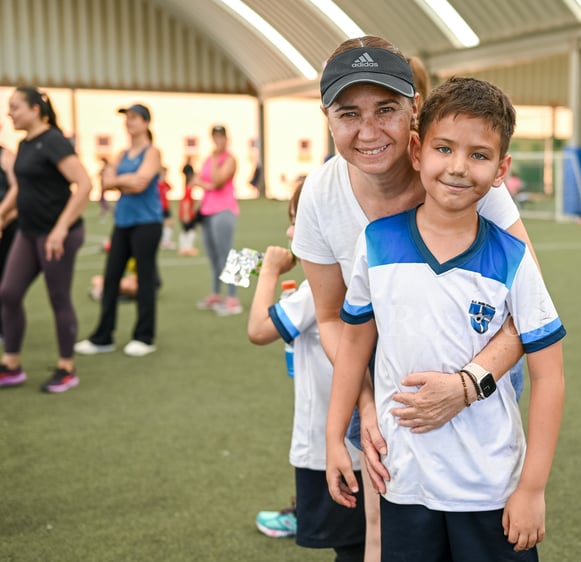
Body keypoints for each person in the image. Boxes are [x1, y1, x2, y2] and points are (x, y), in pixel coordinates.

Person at [292, 36, 534, 560]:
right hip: (381, 385)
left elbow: (526, 310)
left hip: (478, 385)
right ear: (327, 119)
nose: (369, 131)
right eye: (348, 113)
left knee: (478, 530)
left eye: (387, 110)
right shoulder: (320, 195)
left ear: (414, 111)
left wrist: (466, 386)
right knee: (386, 532)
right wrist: (366, 401)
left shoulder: (463, 177)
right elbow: (334, 320)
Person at [247, 179, 366, 561]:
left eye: (297, 219)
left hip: (328, 445)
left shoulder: (314, 292)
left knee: (349, 545)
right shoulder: (342, 280)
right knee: (365, 539)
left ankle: (302, 510)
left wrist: (268, 272)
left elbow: (258, 330)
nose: (289, 230)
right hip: (355, 440)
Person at [0, 87, 91, 392]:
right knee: (9, 293)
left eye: (15, 107)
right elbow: (21, 190)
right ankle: (11, 364)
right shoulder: (24, 144)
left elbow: (83, 184)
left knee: (58, 298)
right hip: (29, 231)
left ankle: (67, 367)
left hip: (57, 236)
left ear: (36, 110)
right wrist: (3, 214)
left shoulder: (53, 141)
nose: (10, 113)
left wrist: (61, 228)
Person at [75, 103, 163, 358]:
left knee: (145, 279)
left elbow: (141, 183)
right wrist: (124, 180)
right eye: (127, 118)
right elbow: (106, 181)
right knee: (111, 277)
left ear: (146, 122)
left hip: (147, 222)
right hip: (123, 222)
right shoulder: (122, 153)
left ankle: (144, 337)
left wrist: (118, 181)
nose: (129, 122)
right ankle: (103, 336)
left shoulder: (152, 152)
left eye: (134, 118)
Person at [194, 124, 241, 316]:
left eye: (221, 137)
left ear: (226, 138)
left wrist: (214, 162)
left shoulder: (229, 159)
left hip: (224, 210)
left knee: (227, 255)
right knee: (213, 257)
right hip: (207, 211)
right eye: (215, 136)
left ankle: (233, 298)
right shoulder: (208, 158)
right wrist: (208, 184)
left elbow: (218, 180)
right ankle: (216, 293)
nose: (218, 140)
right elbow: (197, 180)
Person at [0, 128, 20, 343]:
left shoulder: (6, 156)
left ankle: (6, 327)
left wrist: (2, 214)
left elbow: (17, 188)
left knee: (6, 280)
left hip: (8, 224)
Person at [158, 165, 175, 249]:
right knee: (159, 225)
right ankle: (161, 241)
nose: (164, 175)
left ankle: (166, 241)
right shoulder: (156, 185)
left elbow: (170, 188)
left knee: (169, 223)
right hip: (158, 208)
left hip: (165, 207)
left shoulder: (165, 184)